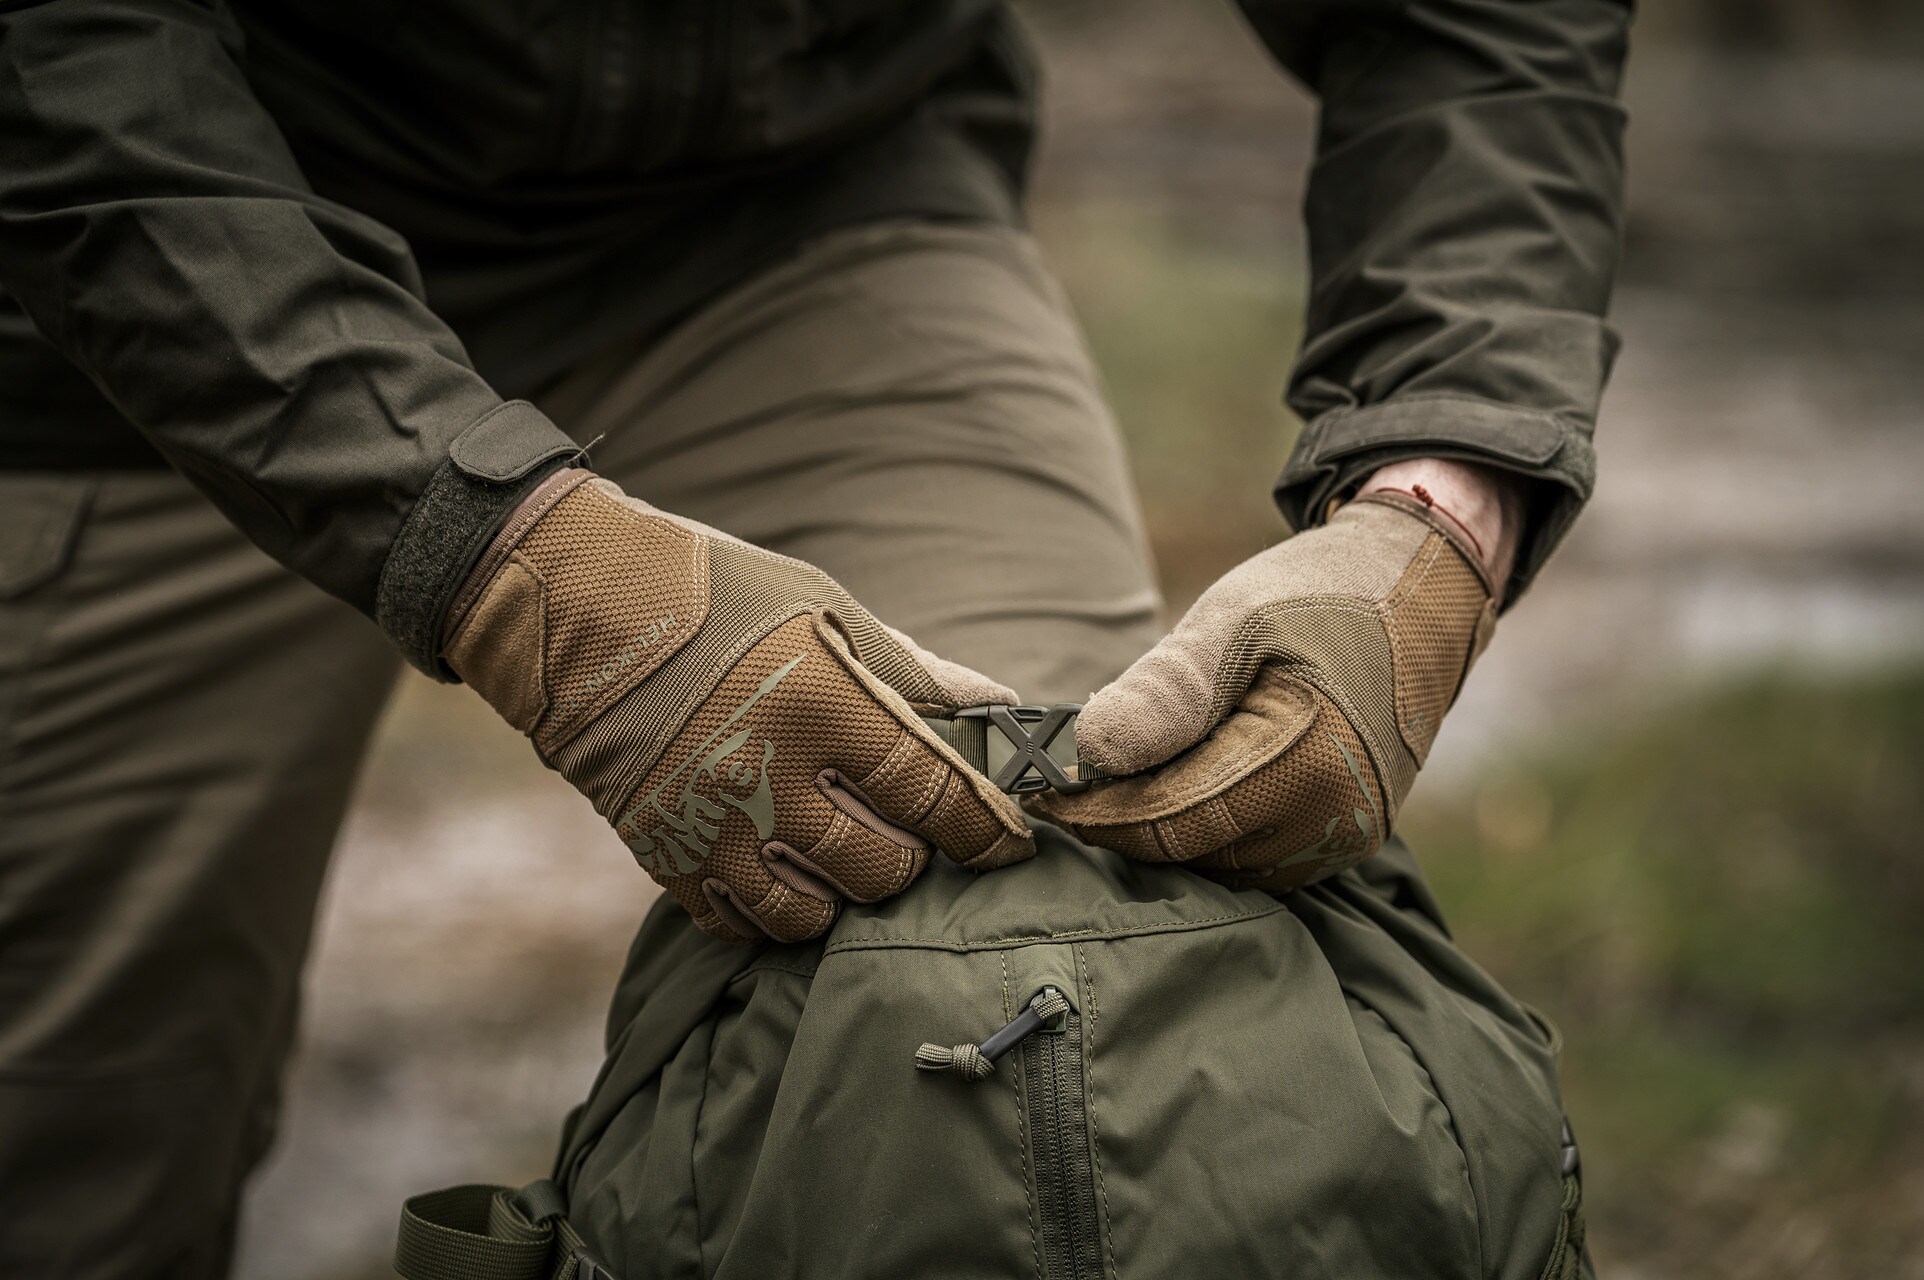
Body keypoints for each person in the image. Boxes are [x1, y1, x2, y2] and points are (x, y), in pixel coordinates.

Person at [0, 1, 1629, 1275]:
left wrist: (1442, 501)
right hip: (155, 296)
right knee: (62, 1174)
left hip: (798, 208)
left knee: (1097, 1014)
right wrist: (503, 560)